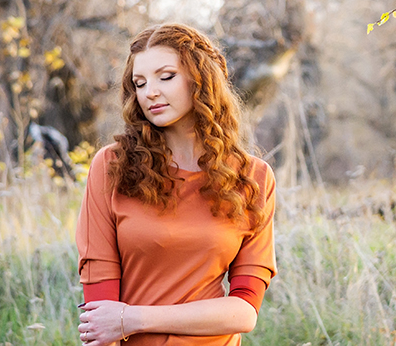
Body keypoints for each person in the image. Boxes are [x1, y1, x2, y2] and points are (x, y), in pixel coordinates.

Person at [76, 23, 276, 346]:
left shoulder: (253, 178)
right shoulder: (111, 168)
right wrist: (119, 323)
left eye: (165, 77)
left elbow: (244, 311)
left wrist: (132, 318)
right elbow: (100, 318)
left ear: (201, 80)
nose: (149, 92)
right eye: (139, 84)